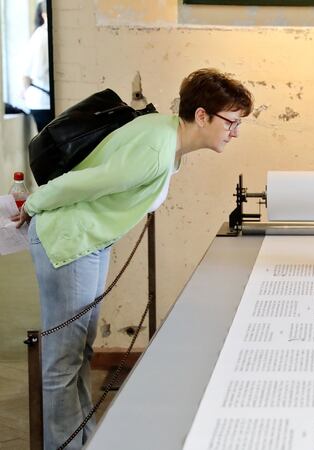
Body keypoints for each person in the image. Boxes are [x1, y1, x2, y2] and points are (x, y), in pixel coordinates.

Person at [11, 68, 253, 449]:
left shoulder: (164, 132)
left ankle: (82, 439)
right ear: (203, 115)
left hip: (88, 241)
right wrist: (35, 205)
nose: (234, 133)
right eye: (231, 122)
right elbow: (82, 183)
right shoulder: (157, 152)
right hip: (71, 242)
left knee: (78, 353)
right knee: (62, 362)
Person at [21, 1, 53, 132]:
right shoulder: (43, 36)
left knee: (46, 144)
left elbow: (25, 74)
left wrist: (24, 90)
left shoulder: (38, 36)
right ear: (44, 14)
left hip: (39, 100)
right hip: (44, 100)